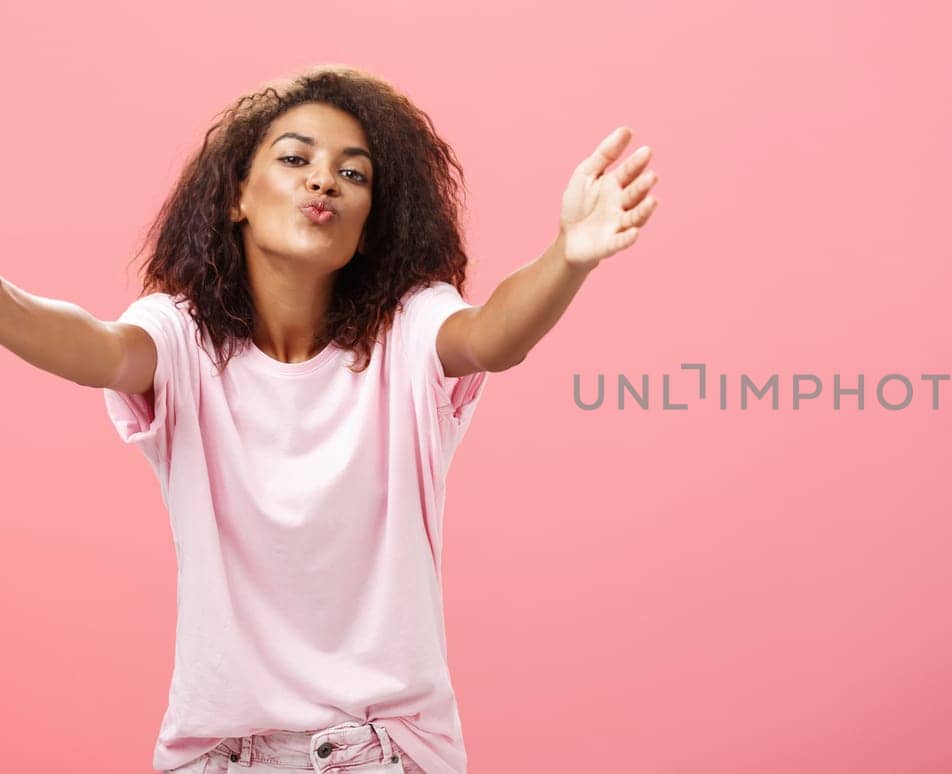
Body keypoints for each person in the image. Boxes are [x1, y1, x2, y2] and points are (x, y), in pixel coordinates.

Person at [0, 64, 659, 774]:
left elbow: (492, 336)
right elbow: (94, 348)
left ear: (371, 228)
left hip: (385, 753)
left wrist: (567, 257)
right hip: (220, 757)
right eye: (295, 159)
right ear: (236, 198)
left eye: (355, 174)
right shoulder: (181, 340)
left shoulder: (407, 333)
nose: (324, 181)